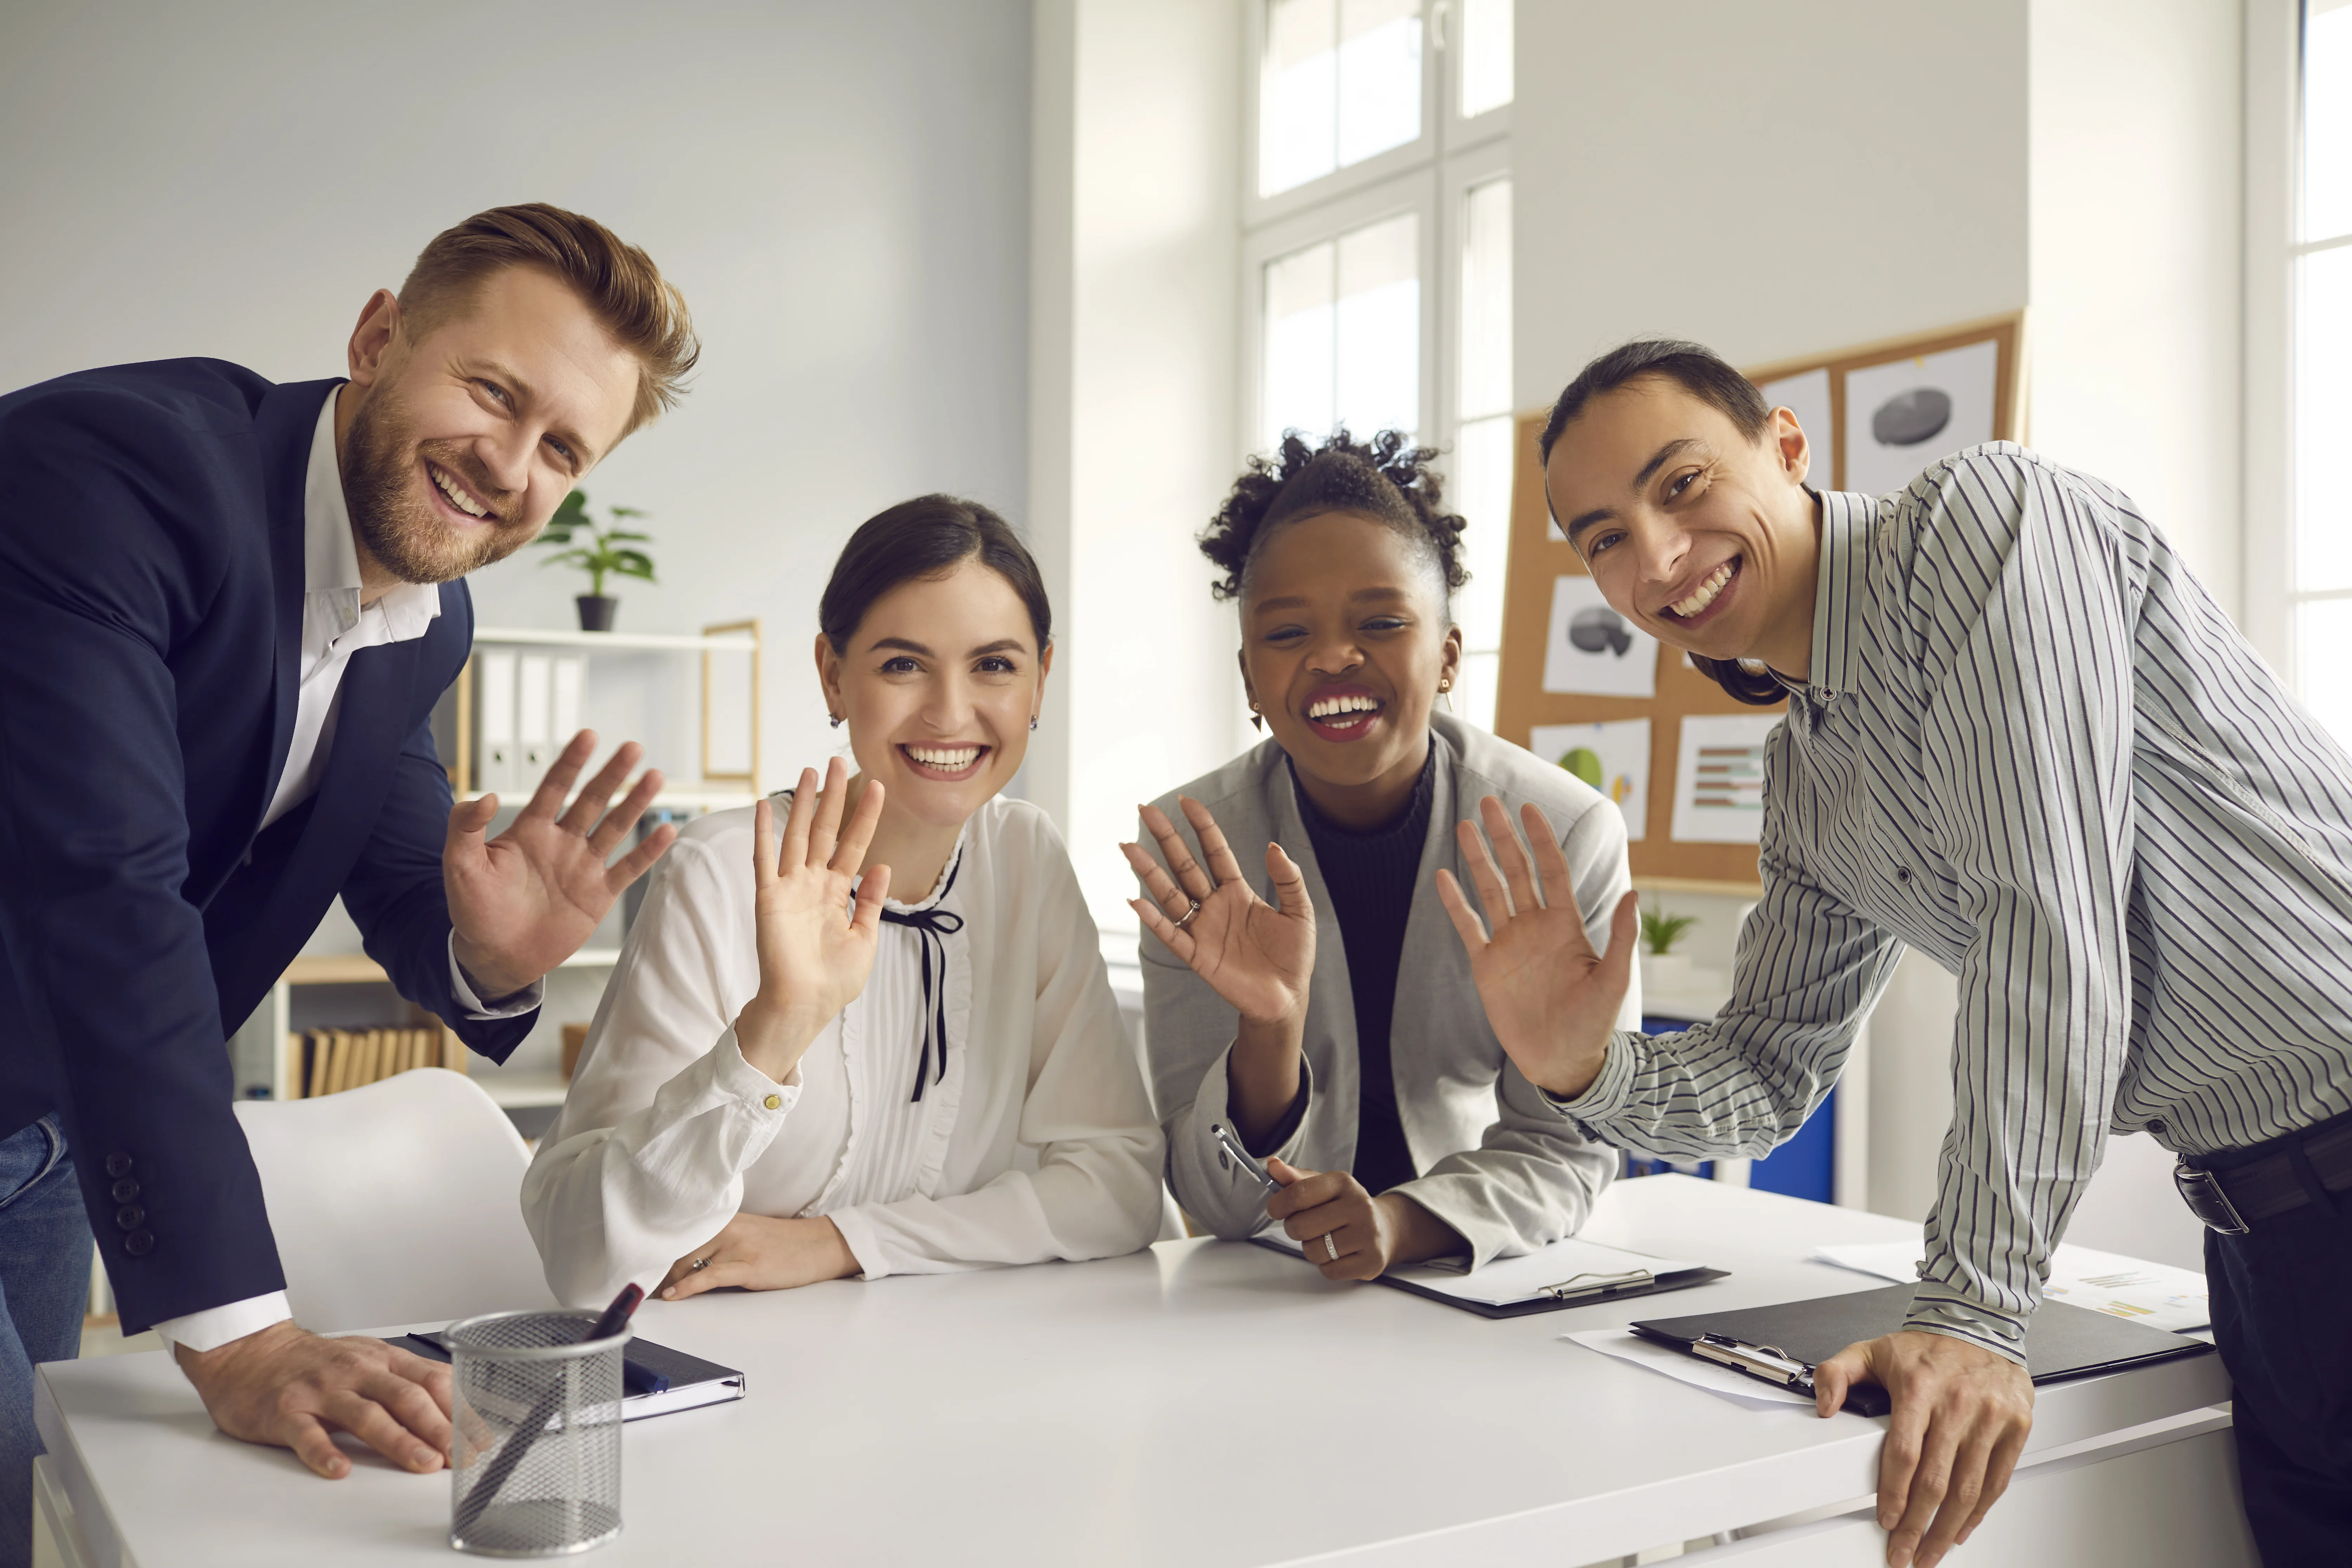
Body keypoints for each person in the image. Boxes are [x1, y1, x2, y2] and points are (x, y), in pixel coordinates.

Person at [1453, 338, 2352, 1568]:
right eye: (1603, 537)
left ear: (1783, 446)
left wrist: (1975, 1311)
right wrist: (1579, 1066)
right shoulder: (1812, 774)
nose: (1656, 559)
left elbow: (2048, 917)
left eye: (1680, 484)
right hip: (2262, 1240)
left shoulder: (1984, 523)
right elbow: (1767, 1073)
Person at [0, 202, 696, 1553]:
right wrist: (244, 1337)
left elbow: (394, 850)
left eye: (563, 449)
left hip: (58, 1130)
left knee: (39, 1510)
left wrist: (489, 954)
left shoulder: (427, 617)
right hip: (63, 1044)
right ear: (380, 337)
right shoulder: (109, 474)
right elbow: (105, 887)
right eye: (493, 393)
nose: (509, 465)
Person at [523, 496, 1165, 1306]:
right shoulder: (721, 871)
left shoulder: (1024, 858)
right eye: (902, 664)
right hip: (730, 1374)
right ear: (833, 673)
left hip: (946, 1358)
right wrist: (777, 1026)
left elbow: (1119, 1187)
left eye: (994, 665)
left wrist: (844, 1243)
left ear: (1042, 677)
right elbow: (588, 1259)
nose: (949, 711)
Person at [1126, 431, 1634, 1279]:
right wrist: (1268, 1028)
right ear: (1249, 678)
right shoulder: (1191, 851)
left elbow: (1569, 1148)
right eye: (1286, 632)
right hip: (1263, 1290)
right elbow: (1210, 1200)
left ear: (1445, 656)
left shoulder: (1561, 832)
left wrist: (1401, 1223)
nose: (1332, 657)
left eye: (1381, 622)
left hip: (1476, 1267)